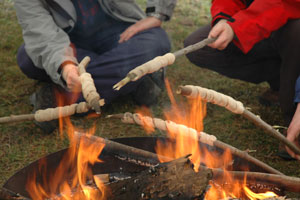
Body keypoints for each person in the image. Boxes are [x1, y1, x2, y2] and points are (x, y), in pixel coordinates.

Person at [14, 0, 177, 133]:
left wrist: (158, 13)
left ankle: (60, 98)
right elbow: (41, 34)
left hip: (120, 33)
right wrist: (66, 66)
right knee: (28, 57)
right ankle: (133, 81)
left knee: (156, 41)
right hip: (68, 44)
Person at [183, 0, 300, 160]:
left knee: (297, 31)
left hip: (290, 20)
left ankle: (293, 122)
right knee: (199, 47)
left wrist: (237, 26)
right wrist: (223, 18)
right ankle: (282, 82)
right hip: (257, 22)